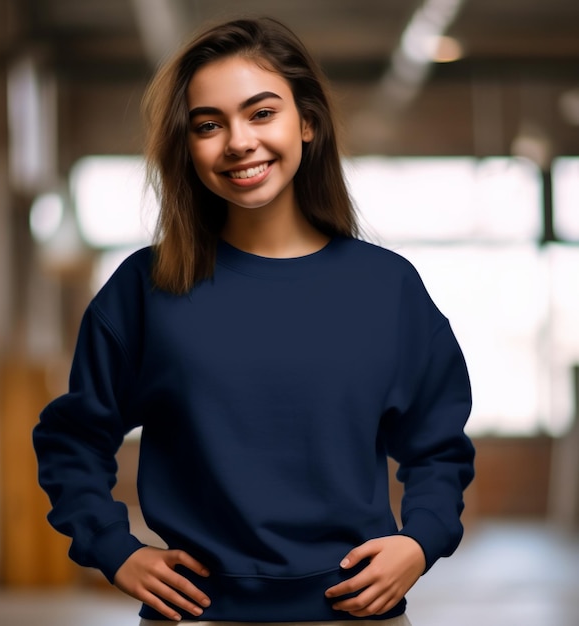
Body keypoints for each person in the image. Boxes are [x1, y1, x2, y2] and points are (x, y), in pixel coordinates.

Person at [33, 16, 475, 626]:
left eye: (261, 113)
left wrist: (420, 539)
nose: (238, 141)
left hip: (358, 616)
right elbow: (72, 440)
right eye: (209, 125)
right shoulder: (146, 288)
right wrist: (116, 550)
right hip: (198, 617)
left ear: (308, 122)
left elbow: (439, 446)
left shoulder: (386, 286)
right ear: (187, 147)